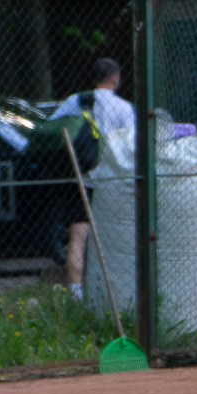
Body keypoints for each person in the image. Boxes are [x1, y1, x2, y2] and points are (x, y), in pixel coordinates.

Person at [47, 57, 135, 300]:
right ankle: (112, 296)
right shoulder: (123, 108)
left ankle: (76, 296)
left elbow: (54, 129)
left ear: (94, 78)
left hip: (80, 177)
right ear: (115, 79)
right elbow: (131, 146)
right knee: (113, 237)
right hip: (112, 181)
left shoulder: (75, 101)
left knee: (78, 237)